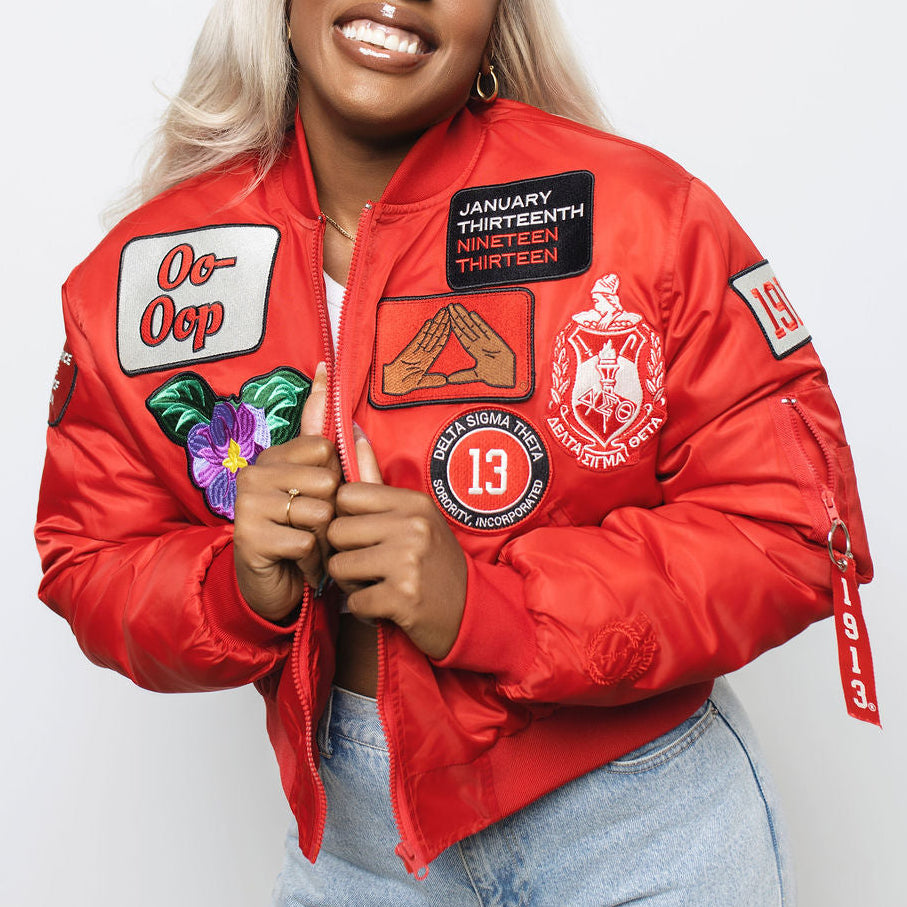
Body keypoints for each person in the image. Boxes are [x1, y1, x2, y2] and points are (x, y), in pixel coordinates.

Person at [35, 0, 875, 903]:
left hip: (639, 826)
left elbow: (793, 531)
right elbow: (89, 559)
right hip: (358, 850)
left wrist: (492, 606)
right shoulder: (145, 276)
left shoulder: (642, 218)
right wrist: (232, 587)